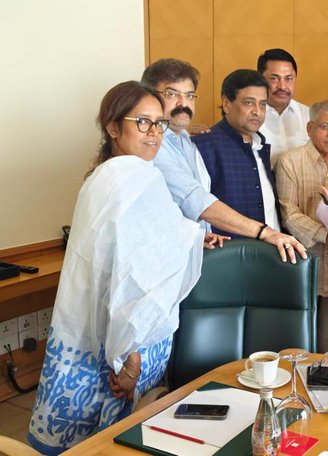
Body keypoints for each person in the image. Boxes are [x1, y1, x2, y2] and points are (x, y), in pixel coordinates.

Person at [28, 81, 222, 454]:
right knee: (103, 442)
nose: (154, 133)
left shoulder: (125, 174)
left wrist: (192, 236)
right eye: (142, 122)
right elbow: (128, 276)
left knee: (109, 439)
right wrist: (128, 359)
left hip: (117, 336)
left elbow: (148, 238)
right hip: (120, 343)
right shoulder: (123, 178)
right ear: (113, 127)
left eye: (159, 123)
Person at [142, 59, 305, 262]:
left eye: (189, 95)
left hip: (207, 253)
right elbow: (197, 200)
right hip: (208, 259)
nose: (183, 103)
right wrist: (264, 232)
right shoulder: (152, 144)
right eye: (172, 94)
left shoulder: (185, 140)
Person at [276, 99, 328, 355]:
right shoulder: (290, 162)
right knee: (296, 347)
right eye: (325, 127)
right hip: (303, 266)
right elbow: (289, 214)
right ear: (310, 127)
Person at [193, 69, 282, 239]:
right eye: (249, 103)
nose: (258, 111)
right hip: (230, 257)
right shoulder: (204, 147)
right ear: (227, 104)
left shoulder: (261, 145)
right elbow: (198, 209)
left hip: (272, 253)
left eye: (263, 104)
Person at [257, 48, 310, 167]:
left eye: (288, 79)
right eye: (274, 78)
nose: (282, 86)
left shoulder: (309, 116)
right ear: (260, 80)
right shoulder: (249, 117)